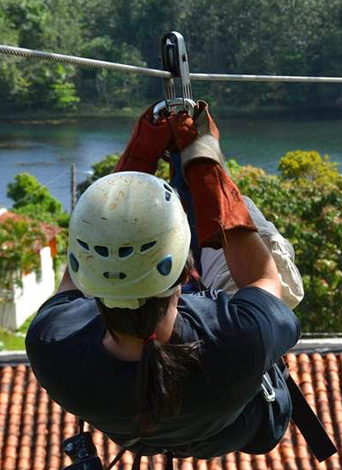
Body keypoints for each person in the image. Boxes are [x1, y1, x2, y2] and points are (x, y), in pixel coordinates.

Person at [25, 102, 310, 467]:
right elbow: (262, 278)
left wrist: (141, 156)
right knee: (262, 244)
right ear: (185, 269)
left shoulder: (54, 345)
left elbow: (89, 258)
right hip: (240, 425)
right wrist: (204, 160)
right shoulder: (238, 339)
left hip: (143, 436)